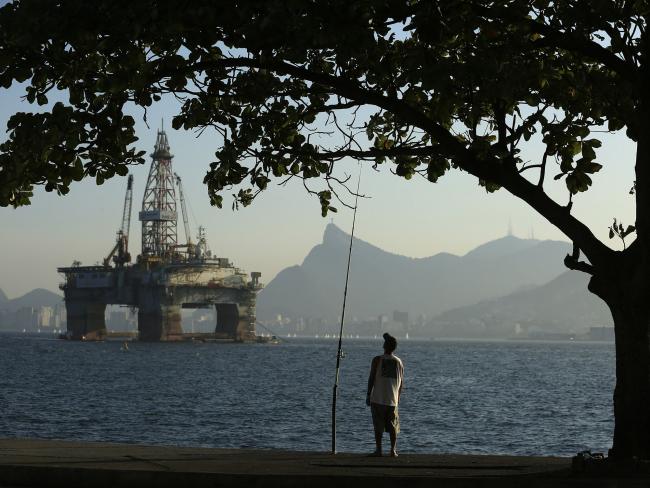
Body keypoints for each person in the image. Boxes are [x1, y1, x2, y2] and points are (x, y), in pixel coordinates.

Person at [366, 332, 404, 457]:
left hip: (377, 398)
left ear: (384, 346)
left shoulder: (377, 360)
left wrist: (368, 394)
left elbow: (371, 378)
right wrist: (398, 398)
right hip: (392, 400)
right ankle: (393, 450)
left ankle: (379, 450)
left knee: (378, 426)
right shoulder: (399, 362)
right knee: (393, 427)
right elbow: (401, 383)